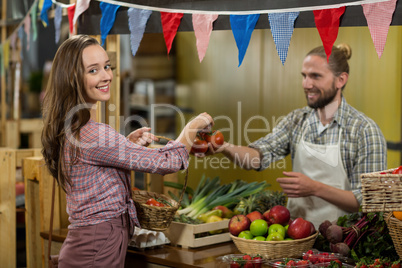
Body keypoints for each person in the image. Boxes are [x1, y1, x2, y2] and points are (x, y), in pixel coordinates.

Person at [41, 35, 213, 267]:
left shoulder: (74, 127)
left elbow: (95, 160)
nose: (106, 76)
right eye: (93, 70)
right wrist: (193, 125)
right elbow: (168, 162)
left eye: (107, 66)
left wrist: (125, 144)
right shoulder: (93, 134)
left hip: (89, 242)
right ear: (71, 79)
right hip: (97, 243)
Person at [207, 44, 387, 228]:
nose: (306, 84)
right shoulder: (296, 120)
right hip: (297, 239)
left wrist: (315, 188)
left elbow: (369, 200)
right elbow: (258, 157)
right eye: (304, 76)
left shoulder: (364, 131)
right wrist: (224, 147)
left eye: (315, 76)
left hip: (344, 242)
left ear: (340, 80)